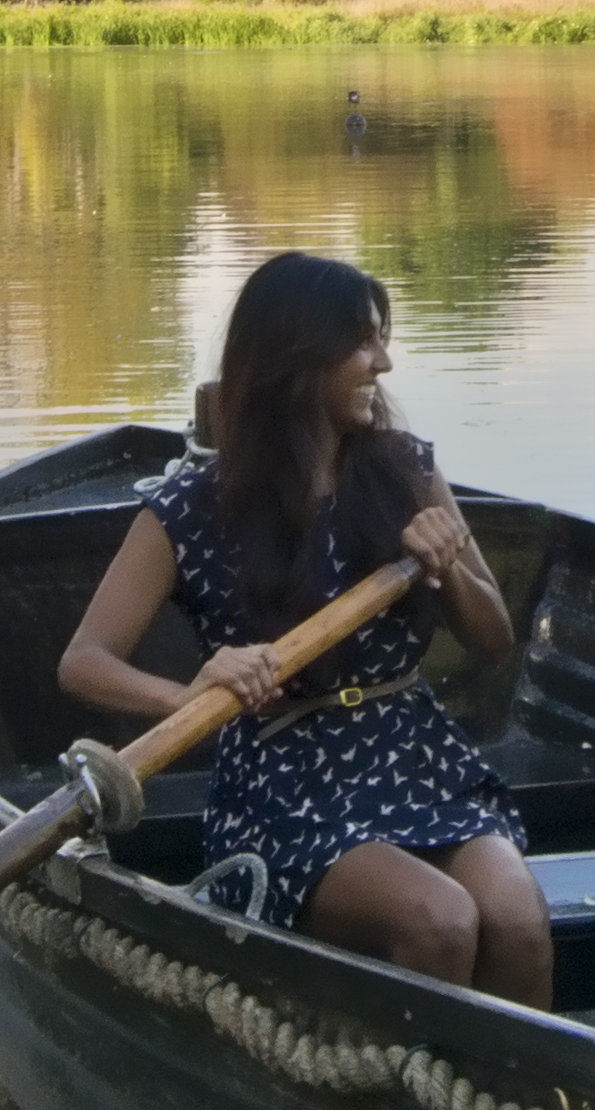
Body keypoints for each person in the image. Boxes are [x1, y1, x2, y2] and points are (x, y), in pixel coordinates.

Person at [57, 251, 546, 997]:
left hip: (412, 750)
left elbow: (492, 641)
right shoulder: (192, 507)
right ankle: (396, 1107)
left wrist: (449, 564)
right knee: (438, 922)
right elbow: (84, 661)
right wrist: (189, 694)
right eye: (361, 343)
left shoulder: (405, 469)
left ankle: (511, 1106)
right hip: (285, 778)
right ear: (296, 359)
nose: (382, 363)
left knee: (514, 917)